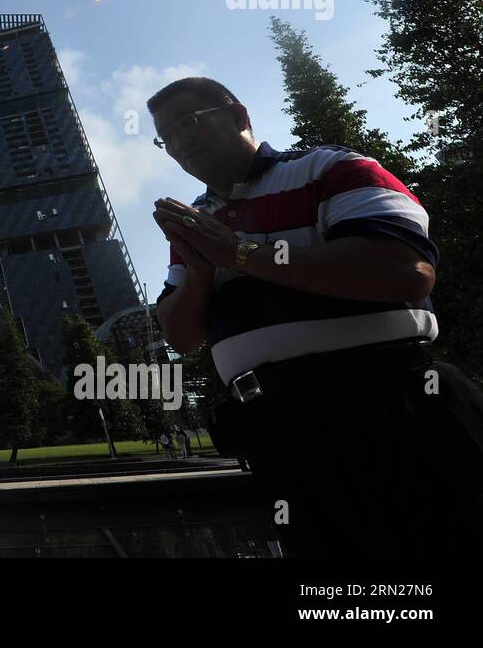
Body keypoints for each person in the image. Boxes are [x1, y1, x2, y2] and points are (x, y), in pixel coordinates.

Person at [147, 77, 483, 557]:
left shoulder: (331, 168)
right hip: (278, 432)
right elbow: (180, 336)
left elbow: (404, 270)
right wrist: (201, 271)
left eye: (188, 122)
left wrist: (238, 253)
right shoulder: (195, 221)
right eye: (167, 136)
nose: (180, 142)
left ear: (240, 116)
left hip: (387, 406)